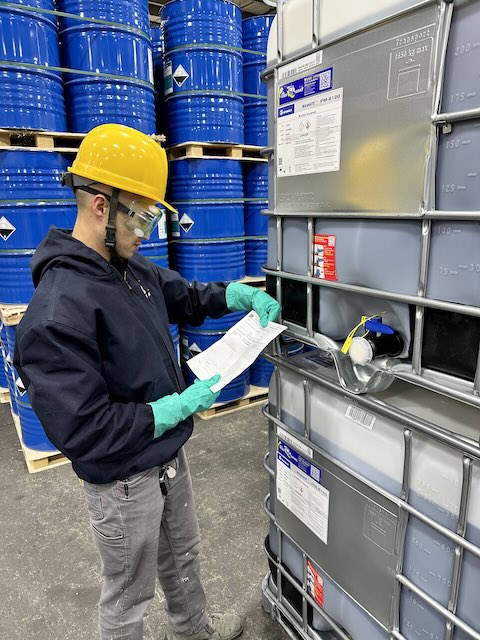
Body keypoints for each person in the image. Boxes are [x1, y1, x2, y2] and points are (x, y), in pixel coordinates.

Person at [13, 124, 281, 640]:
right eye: (141, 215)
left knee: (184, 558)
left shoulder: (129, 268)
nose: (148, 230)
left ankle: (192, 633)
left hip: (167, 459)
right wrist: (171, 409)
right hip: (122, 483)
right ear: (99, 206)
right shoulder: (56, 312)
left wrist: (236, 297)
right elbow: (83, 428)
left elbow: (185, 295)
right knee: (128, 594)